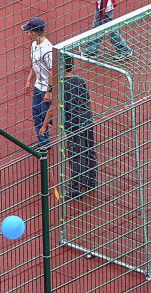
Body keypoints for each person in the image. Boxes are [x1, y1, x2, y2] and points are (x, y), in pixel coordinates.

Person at [41, 57, 98, 199]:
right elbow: (89, 101)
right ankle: (91, 181)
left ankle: (75, 190)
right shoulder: (80, 80)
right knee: (89, 151)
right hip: (87, 120)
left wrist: (44, 126)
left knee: (76, 156)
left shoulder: (60, 86)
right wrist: (91, 117)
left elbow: (52, 110)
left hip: (74, 124)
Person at [23, 16, 53, 148]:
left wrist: (49, 91)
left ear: (34, 33)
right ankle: (43, 142)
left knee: (45, 115)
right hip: (38, 86)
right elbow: (35, 64)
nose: (27, 33)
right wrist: (29, 79)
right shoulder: (34, 45)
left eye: (28, 31)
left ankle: (45, 141)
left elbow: (53, 72)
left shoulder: (48, 50)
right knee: (37, 114)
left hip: (46, 87)